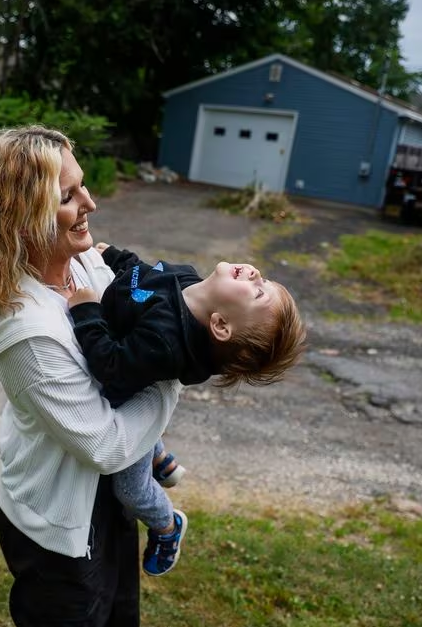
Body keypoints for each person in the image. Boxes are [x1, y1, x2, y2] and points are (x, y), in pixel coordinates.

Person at [0, 125, 183, 627]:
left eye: (83, 186)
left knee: (121, 623)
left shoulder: (83, 267)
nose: (91, 203)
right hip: (59, 525)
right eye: (68, 197)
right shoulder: (23, 327)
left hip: (110, 496)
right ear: (19, 216)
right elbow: (103, 444)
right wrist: (173, 372)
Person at [67, 243, 307, 576]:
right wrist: (114, 256)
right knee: (143, 403)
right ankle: (160, 458)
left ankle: (166, 525)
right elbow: (142, 274)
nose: (255, 275)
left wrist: (87, 314)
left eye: (257, 293)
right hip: (138, 380)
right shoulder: (186, 279)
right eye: (263, 281)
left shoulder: (164, 342)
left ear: (221, 325)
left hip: (124, 401)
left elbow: (112, 365)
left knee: (129, 490)